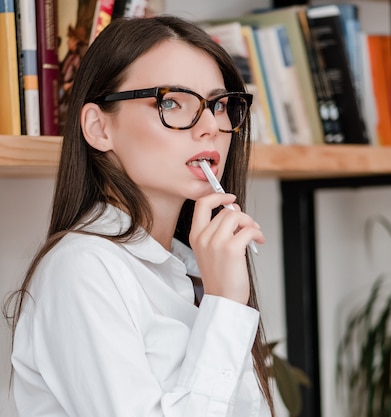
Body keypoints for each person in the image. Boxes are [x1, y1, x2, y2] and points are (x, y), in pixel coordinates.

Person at [4, 15, 273, 416]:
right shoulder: (82, 269)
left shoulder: (193, 266)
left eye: (218, 104)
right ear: (98, 127)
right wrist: (226, 307)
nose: (210, 126)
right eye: (170, 102)